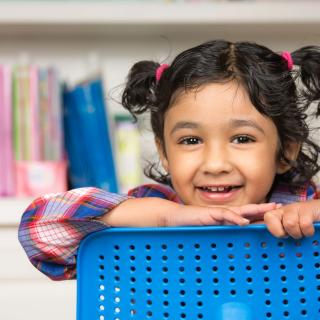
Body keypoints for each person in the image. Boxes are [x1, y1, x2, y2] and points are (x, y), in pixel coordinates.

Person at [19, 40, 320, 281]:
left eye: (242, 139)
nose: (215, 164)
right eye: (191, 141)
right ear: (164, 152)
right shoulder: (148, 213)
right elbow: (38, 229)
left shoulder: (301, 204)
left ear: (286, 151)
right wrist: (165, 218)